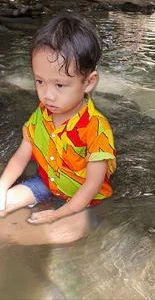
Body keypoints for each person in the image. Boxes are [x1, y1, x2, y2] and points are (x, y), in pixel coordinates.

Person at [0, 14, 116, 243]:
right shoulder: (41, 115)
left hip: (84, 198)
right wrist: (2, 186)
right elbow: (21, 156)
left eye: (60, 85)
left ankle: (19, 238)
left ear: (89, 82)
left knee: (65, 232)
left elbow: (92, 185)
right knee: (7, 199)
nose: (47, 95)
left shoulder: (96, 128)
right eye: (39, 81)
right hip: (47, 183)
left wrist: (60, 213)